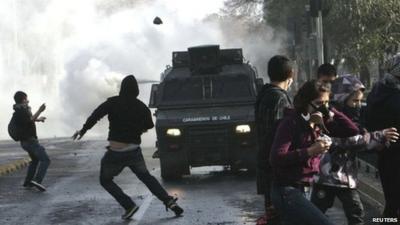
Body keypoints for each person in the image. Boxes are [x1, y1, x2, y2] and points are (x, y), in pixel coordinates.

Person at [72, 75, 183, 220]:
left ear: (122, 88)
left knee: (105, 180)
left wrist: (83, 130)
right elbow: (149, 124)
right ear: (136, 90)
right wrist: (138, 129)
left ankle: (129, 205)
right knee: (147, 178)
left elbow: (96, 115)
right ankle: (169, 201)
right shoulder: (141, 106)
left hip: (116, 152)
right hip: (134, 151)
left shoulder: (112, 102)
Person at [311, 75, 399, 225]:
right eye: (354, 101)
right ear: (341, 99)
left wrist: (376, 141)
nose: (358, 105)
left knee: (356, 213)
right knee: (315, 214)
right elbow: (351, 140)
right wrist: (378, 137)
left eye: (360, 101)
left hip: (344, 178)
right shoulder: (331, 121)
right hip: (328, 178)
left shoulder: (351, 119)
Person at [269, 80, 359, 225]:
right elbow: (276, 158)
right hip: (287, 189)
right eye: (318, 104)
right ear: (305, 102)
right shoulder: (290, 123)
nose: (321, 108)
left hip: (306, 189)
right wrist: (310, 151)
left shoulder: (318, 123)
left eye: (326, 103)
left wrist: (330, 110)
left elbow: (352, 130)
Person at [255, 55, 294, 224]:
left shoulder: (264, 94)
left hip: (265, 163)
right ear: (290, 74)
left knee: (272, 215)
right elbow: (280, 135)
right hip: (276, 169)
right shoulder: (280, 98)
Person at [365, 54, 400, 221]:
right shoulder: (395, 98)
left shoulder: (377, 92)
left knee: (392, 204)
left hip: (385, 154)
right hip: (396, 155)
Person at [12, 91, 49, 192]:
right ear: (23, 99)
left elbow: (29, 119)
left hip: (26, 142)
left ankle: (28, 182)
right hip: (30, 141)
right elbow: (30, 119)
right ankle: (37, 180)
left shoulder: (20, 110)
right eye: (26, 98)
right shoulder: (21, 111)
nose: (28, 100)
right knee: (45, 159)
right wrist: (40, 110)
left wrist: (39, 119)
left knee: (35, 160)